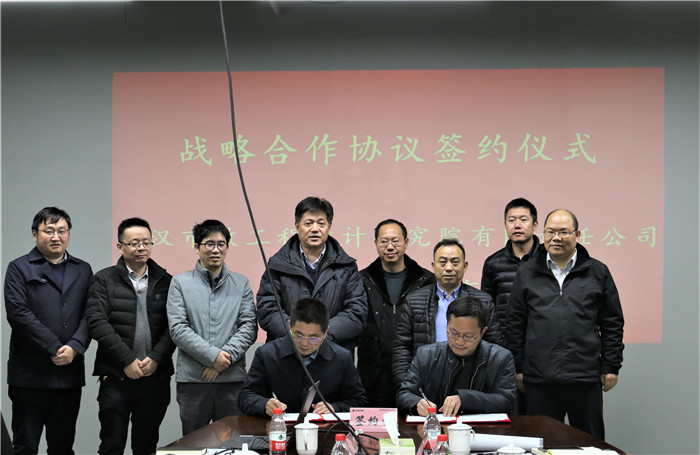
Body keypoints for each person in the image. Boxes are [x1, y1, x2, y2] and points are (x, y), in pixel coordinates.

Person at [506, 209, 624, 440]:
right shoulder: (527, 272)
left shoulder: (598, 272)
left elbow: (612, 322)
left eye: (563, 232)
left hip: (585, 376)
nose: (556, 238)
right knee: (541, 444)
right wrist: (518, 368)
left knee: (590, 444)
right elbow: (515, 323)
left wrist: (611, 366)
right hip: (539, 378)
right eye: (550, 232)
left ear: (577, 234)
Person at [4, 206, 93, 455]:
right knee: (25, 447)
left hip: (69, 374)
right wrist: (54, 348)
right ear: (35, 234)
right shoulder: (19, 267)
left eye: (62, 231)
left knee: (62, 447)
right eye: (49, 231)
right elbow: (18, 314)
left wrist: (75, 347)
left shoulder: (82, 269)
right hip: (29, 375)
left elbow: (91, 313)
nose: (56, 237)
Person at [86, 217, 174, 455]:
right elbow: (96, 323)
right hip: (117, 377)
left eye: (146, 242)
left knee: (146, 447)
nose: (141, 248)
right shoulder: (103, 279)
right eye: (134, 243)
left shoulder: (166, 281)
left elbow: (174, 326)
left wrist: (156, 358)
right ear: (120, 246)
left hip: (154, 377)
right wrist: (126, 360)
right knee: (111, 446)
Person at [167, 219, 257, 436]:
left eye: (221, 244)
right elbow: (178, 329)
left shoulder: (241, 283)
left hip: (232, 380)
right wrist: (212, 357)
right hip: (194, 380)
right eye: (209, 244)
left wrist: (222, 360)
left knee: (233, 443)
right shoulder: (180, 283)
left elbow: (249, 326)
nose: (215, 250)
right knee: (194, 444)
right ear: (196, 247)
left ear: (227, 247)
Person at [256, 196, 367, 350]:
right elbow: (268, 309)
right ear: (297, 226)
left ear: (329, 226)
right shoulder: (277, 264)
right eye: (308, 223)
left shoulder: (346, 266)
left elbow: (356, 312)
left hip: (333, 352)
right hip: (288, 352)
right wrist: (298, 336)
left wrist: (321, 335)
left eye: (321, 223)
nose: (315, 229)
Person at [393, 238, 503, 387]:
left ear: (465, 266)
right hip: (426, 380)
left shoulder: (483, 300)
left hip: (471, 381)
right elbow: (401, 347)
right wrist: (407, 386)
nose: (449, 268)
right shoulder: (414, 300)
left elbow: (495, 345)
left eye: (455, 262)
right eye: (443, 262)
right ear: (433, 266)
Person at [238, 298, 368, 418]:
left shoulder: (341, 357)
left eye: (313, 338)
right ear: (290, 326)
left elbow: (359, 401)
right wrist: (264, 404)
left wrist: (335, 407)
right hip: (278, 428)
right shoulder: (267, 354)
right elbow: (245, 397)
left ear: (325, 332)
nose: (305, 343)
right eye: (298, 336)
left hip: (324, 429)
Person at [358, 219, 434, 407]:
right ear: (376, 243)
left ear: (406, 242)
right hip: (374, 374)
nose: (390, 247)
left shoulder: (426, 280)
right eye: (384, 241)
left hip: (415, 371)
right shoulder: (361, 280)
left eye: (395, 241)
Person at [397, 296, 516, 416]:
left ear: (483, 332)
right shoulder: (426, 355)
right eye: (453, 333)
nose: (459, 342)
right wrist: (417, 403)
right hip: (437, 425)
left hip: (482, 426)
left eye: (468, 336)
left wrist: (465, 399)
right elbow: (404, 394)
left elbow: (507, 401)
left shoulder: (500, 358)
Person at [480, 198, 539, 414]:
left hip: (541, 350)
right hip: (504, 350)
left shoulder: (547, 260)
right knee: (510, 417)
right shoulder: (493, 263)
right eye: (511, 220)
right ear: (505, 225)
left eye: (523, 219)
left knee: (542, 418)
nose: (517, 225)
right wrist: (500, 347)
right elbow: (487, 310)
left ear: (535, 224)